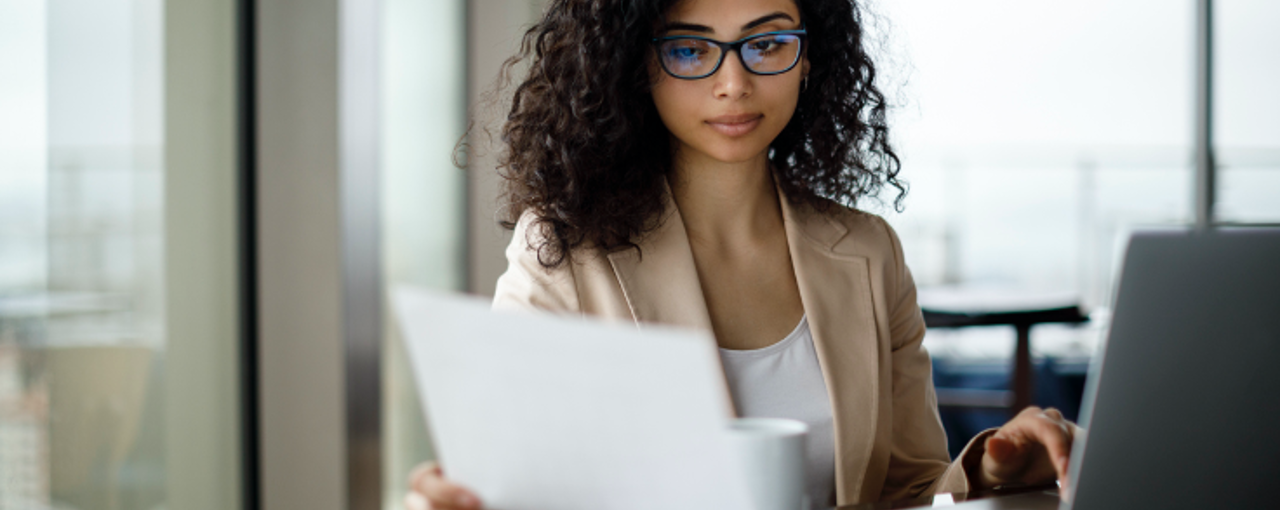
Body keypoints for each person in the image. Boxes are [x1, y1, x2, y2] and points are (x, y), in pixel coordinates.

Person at [407, 0, 1079, 507]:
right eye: (691, 51)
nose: (734, 83)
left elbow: (906, 487)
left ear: (809, 54)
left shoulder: (870, 252)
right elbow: (515, 483)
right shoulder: (561, 251)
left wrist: (989, 467)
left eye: (767, 43)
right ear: (637, 63)